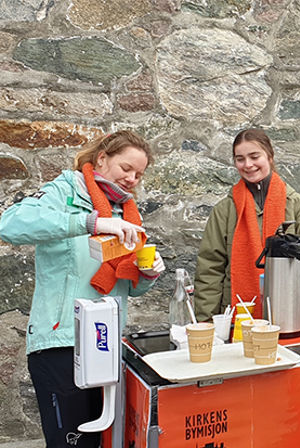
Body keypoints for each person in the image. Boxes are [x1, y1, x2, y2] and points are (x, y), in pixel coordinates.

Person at [0, 130, 164, 447]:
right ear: (102, 158)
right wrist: (90, 223)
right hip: (60, 345)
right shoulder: (65, 191)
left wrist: (147, 274)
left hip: (104, 347)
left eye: (138, 174)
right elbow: (9, 224)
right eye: (126, 168)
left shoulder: (127, 213)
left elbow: (127, 289)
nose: (132, 178)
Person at [194, 128, 300, 322]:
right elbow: (210, 269)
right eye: (240, 159)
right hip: (234, 319)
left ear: (269, 156)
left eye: (254, 156)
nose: (248, 165)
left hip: (289, 316)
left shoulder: (297, 206)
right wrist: (207, 322)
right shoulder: (224, 210)